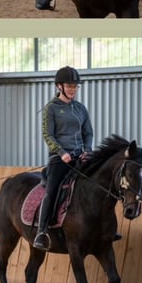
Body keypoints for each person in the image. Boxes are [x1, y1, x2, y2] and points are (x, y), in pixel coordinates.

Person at [33, 65, 93, 250]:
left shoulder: (81, 108)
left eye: (75, 86)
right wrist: (61, 153)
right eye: (69, 86)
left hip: (80, 156)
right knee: (52, 190)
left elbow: (88, 133)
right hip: (60, 158)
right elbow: (48, 135)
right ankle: (42, 232)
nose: (73, 89)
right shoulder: (51, 108)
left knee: (99, 183)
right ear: (59, 86)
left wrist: (87, 150)